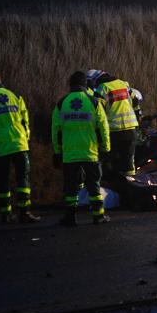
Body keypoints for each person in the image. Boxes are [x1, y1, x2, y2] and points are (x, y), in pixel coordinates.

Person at [0, 72, 40, 223]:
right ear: (1, 82)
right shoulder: (15, 95)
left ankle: (6, 214)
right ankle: (24, 213)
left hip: (1, 146)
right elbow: (25, 120)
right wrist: (26, 139)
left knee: (3, 180)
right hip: (20, 144)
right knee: (23, 179)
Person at [51, 71, 111, 226]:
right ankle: (98, 216)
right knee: (94, 185)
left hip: (69, 153)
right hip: (90, 152)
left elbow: (55, 130)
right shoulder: (94, 102)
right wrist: (105, 148)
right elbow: (103, 127)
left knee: (71, 187)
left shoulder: (61, 103)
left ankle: (70, 217)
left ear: (70, 84)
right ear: (85, 84)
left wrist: (57, 152)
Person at [89, 70, 139, 177]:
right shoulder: (123, 83)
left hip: (114, 131)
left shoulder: (102, 88)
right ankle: (131, 187)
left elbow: (98, 111)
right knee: (129, 163)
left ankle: (114, 187)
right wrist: (138, 117)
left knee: (112, 162)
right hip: (131, 130)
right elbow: (136, 100)